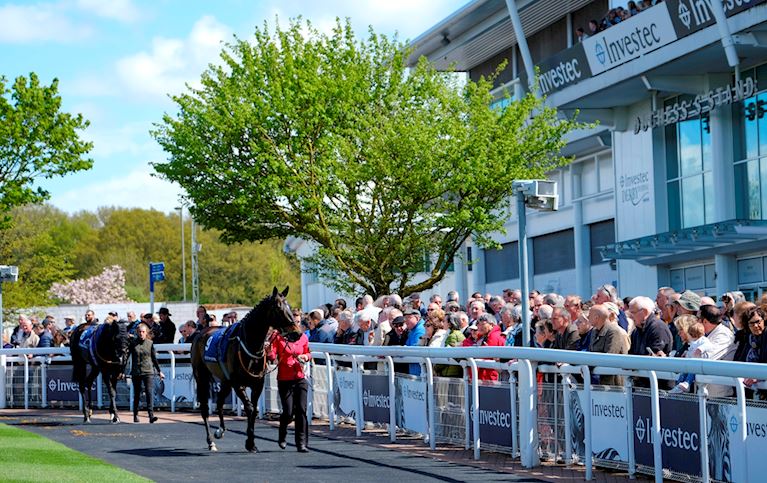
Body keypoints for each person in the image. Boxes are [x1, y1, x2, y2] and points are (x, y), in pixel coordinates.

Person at [266, 321, 311, 452]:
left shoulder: (303, 337)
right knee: (288, 411)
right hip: (285, 378)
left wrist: (305, 357)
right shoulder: (278, 337)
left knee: (301, 410)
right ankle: (282, 433)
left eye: (297, 322)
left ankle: (301, 443)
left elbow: (308, 353)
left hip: (300, 377)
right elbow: (272, 356)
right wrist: (269, 350)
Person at [130, 323, 164, 423]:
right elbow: (126, 357)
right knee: (137, 394)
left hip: (148, 371)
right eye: (140, 332)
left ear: (146, 333)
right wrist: (122, 371)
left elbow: (154, 358)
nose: (141, 334)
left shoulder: (150, 343)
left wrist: (159, 371)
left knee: (149, 393)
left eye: (143, 332)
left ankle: (151, 416)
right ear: (137, 332)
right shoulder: (133, 343)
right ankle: (135, 414)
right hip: (136, 372)